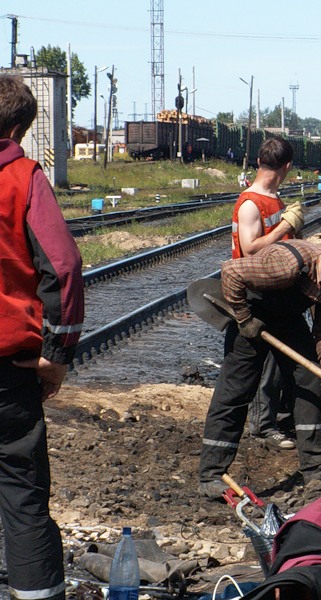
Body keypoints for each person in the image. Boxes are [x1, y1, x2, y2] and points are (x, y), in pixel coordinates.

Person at [198, 240, 321, 497]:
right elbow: (231, 271)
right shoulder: (287, 265)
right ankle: (212, 475)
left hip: (287, 320)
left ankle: (316, 461)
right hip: (250, 316)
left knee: (311, 379)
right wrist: (243, 317)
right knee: (237, 391)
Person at [0, 76, 85, 600]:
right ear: (19, 129)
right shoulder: (22, 177)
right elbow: (64, 265)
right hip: (7, 368)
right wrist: (58, 354)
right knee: (21, 489)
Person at [232, 137, 304, 451]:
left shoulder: (273, 198)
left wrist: (293, 230)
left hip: (277, 287)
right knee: (267, 362)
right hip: (256, 289)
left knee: (282, 361)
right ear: (286, 166)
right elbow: (249, 248)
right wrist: (282, 228)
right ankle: (263, 425)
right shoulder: (251, 202)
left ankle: (279, 418)